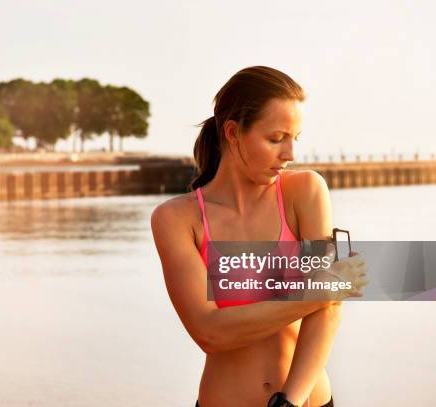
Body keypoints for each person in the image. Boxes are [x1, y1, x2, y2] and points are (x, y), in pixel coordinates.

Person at [150, 66, 369, 407]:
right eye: (276, 138)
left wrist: (289, 402)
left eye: (295, 138)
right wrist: (319, 291)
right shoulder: (177, 219)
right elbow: (210, 332)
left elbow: (329, 311)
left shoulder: (306, 191)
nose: (290, 154)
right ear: (234, 132)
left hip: (304, 402)